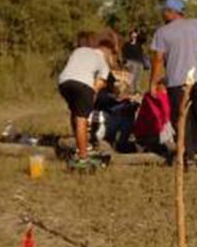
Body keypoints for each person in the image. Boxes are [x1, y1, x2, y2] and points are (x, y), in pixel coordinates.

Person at [149, 0, 197, 161]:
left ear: (172, 12)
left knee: (180, 117)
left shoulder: (162, 32)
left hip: (177, 81)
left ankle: (186, 153)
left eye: (165, 11)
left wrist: (153, 83)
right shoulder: (196, 24)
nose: (163, 14)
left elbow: (158, 60)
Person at [57, 31, 110, 169]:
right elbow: (99, 84)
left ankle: (80, 146)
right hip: (83, 84)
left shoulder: (78, 51)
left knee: (75, 113)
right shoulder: (101, 59)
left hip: (63, 82)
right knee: (82, 119)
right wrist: (91, 98)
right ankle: (83, 157)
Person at [122, 29, 146, 94]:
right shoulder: (126, 44)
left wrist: (139, 32)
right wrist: (125, 62)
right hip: (130, 62)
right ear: (130, 35)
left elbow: (144, 38)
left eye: (134, 34)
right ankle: (131, 91)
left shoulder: (139, 43)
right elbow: (124, 53)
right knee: (132, 77)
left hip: (139, 62)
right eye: (132, 34)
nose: (133, 35)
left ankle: (137, 90)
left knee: (138, 77)